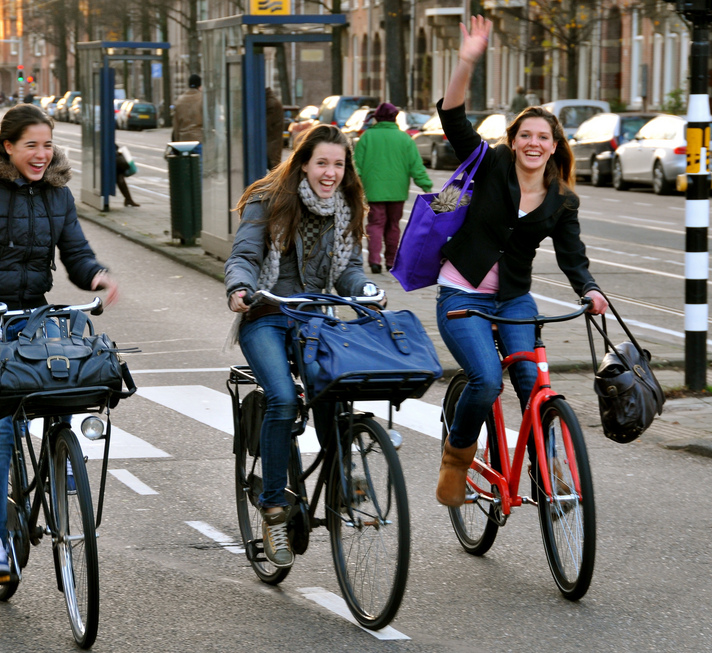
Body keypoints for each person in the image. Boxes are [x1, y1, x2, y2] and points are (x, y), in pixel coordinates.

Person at [0, 104, 120, 584]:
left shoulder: (57, 196)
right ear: (8, 147)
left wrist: (96, 276)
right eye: (31, 146)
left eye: (48, 144)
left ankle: (60, 460)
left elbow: (76, 254)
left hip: (32, 317)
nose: (42, 154)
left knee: (64, 390)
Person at [433, 16, 607, 507]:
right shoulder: (489, 166)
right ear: (515, 140)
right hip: (462, 293)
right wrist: (467, 59)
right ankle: (456, 460)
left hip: (511, 298)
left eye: (543, 138)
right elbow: (452, 117)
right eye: (526, 135)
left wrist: (590, 291)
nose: (534, 143)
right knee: (487, 379)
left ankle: (546, 467)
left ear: (555, 146)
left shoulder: (562, 201)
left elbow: (575, 258)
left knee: (533, 382)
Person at [223, 124, 378, 568]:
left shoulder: (347, 207)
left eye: (338, 164)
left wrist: (363, 289)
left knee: (337, 388)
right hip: (267, 314)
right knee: (284, 398)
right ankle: (273, 507)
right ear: (303, 163)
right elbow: (246, 256)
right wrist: (240, 288)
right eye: (322, 163)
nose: (330, 173)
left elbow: (349, 268)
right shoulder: (267, 199)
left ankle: (341, 476)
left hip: (313, 316)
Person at [354, 101, 433, 274]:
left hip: (373, 191)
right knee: (393, 226)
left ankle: (374, 261)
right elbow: (416, 166)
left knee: (375, 225)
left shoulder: (367, 137)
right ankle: (391, 261)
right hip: (398, 191)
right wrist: (426, 185)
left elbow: (356, 165)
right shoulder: (404, 138)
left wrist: (353, 185)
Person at [172, 74, 203, 142]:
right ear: (199, 85)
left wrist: (176, 140)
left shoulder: (179, 100)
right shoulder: (202, 99)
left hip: (183, 140)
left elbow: (176, 124)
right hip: (198, 140)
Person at [265, 87, 284, 169]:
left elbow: (265, 125)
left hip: (271, 145)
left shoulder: (271, 104)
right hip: (270, 144)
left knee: (273, 171)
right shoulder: (270, 101)